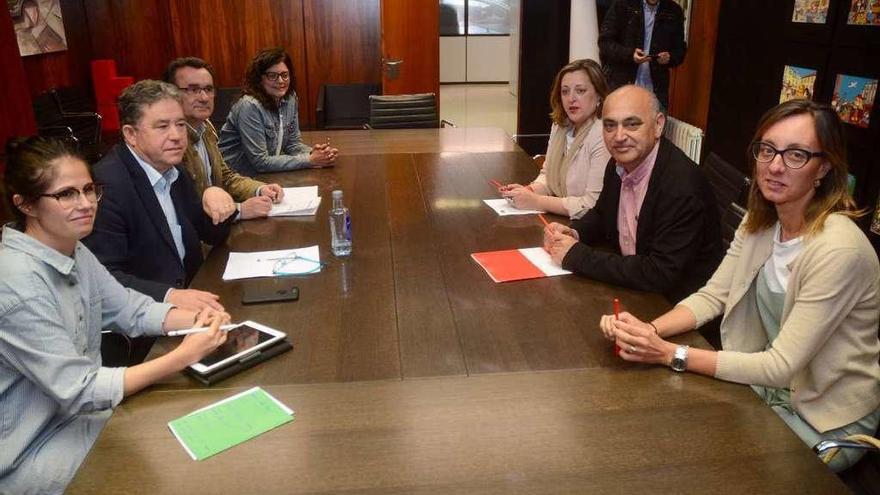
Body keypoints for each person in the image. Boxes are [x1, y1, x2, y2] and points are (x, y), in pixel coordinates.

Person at [601, 99, 880, 473]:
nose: (775, 165)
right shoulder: (761, 223)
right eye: (767, 150)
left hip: (823, 419)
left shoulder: (838, 249)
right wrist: (646, 331)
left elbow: (781, 366)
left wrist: (669, 354)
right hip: (768, 392)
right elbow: (712, 295)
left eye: (796, 154)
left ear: (824, 167)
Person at [0, 136, 229, 494]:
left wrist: (196, 319)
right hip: (33, 451)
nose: (86, 203)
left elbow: (128, 308)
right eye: (66, 195)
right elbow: (81, 390)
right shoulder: (14, 281)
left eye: (89, 189)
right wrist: (183, 356)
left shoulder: (72, 249)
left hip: (84, 420)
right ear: (26, 205)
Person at [83, 80, 231, 362]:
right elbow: (102, 276)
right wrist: (169, 295)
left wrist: (215, 195)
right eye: (162, 127)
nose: (176, 136)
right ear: (131, 134)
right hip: (141, 336)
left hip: (195, 305)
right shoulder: (106, 187)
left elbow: (212, 235)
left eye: (179, 124)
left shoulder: (172, 169)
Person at [544, 85, 722, 304]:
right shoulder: (618, 163)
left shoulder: (681, 186)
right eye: (610, 126)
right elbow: (602, 214)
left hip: (670, 304)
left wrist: (577, 257)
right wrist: (574, 232)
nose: (619, 136)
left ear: (658, 125)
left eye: (632, 124)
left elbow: (660, 273)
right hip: (633, 287)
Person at [164, 57, 286, 222]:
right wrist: (239, 210)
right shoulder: (169, 142)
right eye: (193, 89)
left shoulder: (206, 128)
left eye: (208, 89)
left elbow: (224, 176)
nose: (204, 97)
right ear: (171, 94)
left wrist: (259, 189)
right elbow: (182, 207)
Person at [500, 59, 611, 219]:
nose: (571, 98)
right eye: (565, 91)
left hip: (589, 228)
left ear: (599, 95)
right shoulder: (560, 125)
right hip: (559, 219)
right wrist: (528, 191)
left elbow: (591, 205)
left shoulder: (603, 133)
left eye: (580, 91)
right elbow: (548, 175)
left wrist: (536, 201)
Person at [218, 47, 338, 177]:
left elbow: (292, 145)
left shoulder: (290, 98)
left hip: (267, 176)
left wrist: (318, 154)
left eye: (284, 75)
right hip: (236, 179)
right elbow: (260, 162)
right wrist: (309, 160)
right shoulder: (250, 106)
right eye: (272, 76)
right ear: (259, 79)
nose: (280, 81)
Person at [598, 0, 687, 110]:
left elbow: (680, 50)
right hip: (621, 84)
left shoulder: (673, 11)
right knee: (620, 124)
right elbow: (605, 42)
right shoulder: (623, 4)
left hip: (656, 89)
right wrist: (630, 54)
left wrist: (670, 57)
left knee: (655, 125)